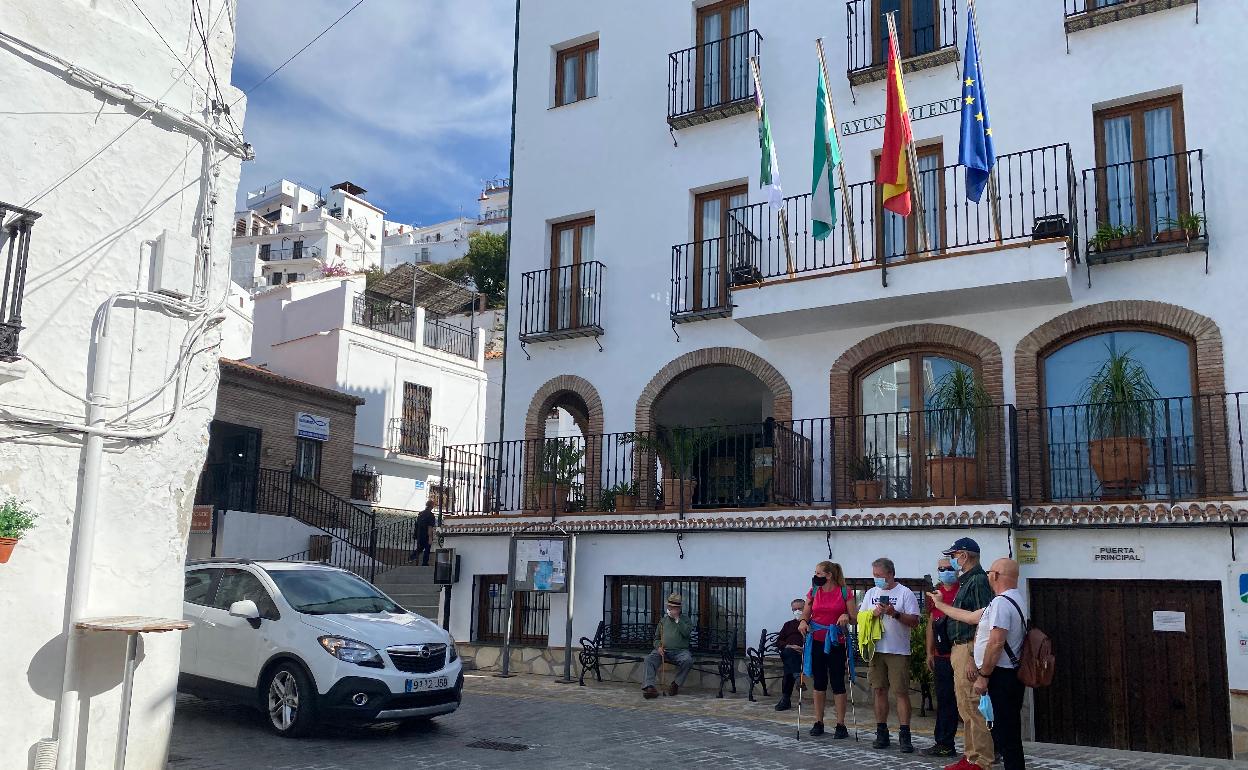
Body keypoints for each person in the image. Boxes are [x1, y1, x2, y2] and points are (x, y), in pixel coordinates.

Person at [929, 558, 1027, 770]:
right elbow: (970, 617)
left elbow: (996, 642)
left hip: (1001, 675)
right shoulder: (1012, 599)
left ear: (996, 575)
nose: (989, 576)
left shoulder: (1001, 603)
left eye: (991, 572)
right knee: (1008, 733)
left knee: (1004, 735)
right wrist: (940, 605)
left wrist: (983, 675)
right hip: (1009, 674)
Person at [938, 537, 997, 770]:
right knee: (965, 706)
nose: (953, 560)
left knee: (973, 705)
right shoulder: (967, 581)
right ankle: (971, 755)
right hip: (959, 648)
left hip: (968, 649)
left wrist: (974, 656)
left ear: (964, 555)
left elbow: (982, 621)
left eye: (954, 556)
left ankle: (982, 760)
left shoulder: (978, 581)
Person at [861, 557, 920, 753]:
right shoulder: (871, 593)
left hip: (898, 651)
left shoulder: (905, 593)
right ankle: (881, 732)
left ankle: (905, 735)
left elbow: (915, 621)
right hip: (876, 650)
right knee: (879, 690)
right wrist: (873, 614)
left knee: (901, 692)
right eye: (874, 576)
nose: (876, 579)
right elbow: (861, 618)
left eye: (879, 576)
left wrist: (894, 613)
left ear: (891, 574)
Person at [798, 561, 856, 737]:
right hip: (816, 639)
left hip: (836, 640)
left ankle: (840, 724)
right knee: (819, 682)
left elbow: (855, 618)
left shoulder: (845, 592)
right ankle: (818, 721)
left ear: (829, 575)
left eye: (818, 573)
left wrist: (846, 615)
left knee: (838, 681)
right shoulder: (814, 591)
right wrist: (802, 621)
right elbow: (806, 613)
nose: (815, 576)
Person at [921, 556, 961, 759]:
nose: (945, 571)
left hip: (960, 654)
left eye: (948, 568)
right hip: (941, 655)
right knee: (944, 700)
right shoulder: (935, 593)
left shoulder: (964, 590)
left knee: (967, 702)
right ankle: (944, 743)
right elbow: (931, 623)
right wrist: (930, 652)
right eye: (941, 569)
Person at [642, 593, 694, 699]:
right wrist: (658, 647)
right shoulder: (663, 621)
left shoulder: (685, 620)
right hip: (664, 650)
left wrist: (677, 620)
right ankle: (649, 687)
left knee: (688, 660)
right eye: (669, 607)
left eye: (674, 607)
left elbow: (686, 633)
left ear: (679, 608)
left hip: (680, 651)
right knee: (649, 659)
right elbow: (656, 639)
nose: (671, 609)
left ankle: (675, 684)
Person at [773, 598, 806, 711]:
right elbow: (778, 641)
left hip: (805, 655)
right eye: (794, 609)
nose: (797, 611)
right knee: (788, 653)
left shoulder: (810, 623)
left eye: (800, 609)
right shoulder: (788, 625)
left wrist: (804, 649)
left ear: (805, 609)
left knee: (788, 669)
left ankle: (785, 700)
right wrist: (790, 646)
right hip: (790, 653)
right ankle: (797, 677)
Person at [410, 500, 437, 566]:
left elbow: (417, 525)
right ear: (432, 506)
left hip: (419, 534)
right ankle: (424, 563)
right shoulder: (431, 515)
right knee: (427, 549)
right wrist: (430, 538)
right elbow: (430, 527)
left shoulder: (421, 514)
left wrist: (415, 534)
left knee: (420, 548)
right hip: (426, 535)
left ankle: (412, 557)